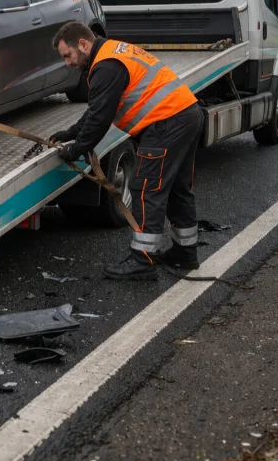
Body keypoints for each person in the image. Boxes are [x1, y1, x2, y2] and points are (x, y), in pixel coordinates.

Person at [50, 21, 203, 280]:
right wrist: (73, 132)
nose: (68, 63)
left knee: (145, 190)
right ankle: (185, 253)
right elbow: (98, 108)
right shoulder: (111, 53)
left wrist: (76, 149)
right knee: (177, 188)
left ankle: (141, 261)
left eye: (68, 55)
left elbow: (100, 118)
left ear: (83, 45)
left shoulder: (106, 66)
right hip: (185, 114)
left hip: (166, 122)